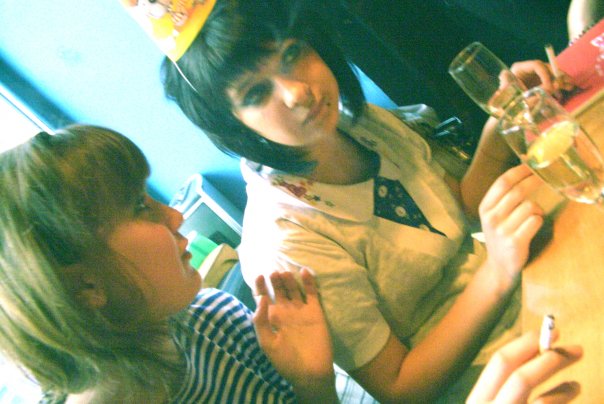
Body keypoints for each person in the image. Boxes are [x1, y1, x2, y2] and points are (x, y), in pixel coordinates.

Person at [152, 0, 571, 401]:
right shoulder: (285, 244)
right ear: (232, 124)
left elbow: (461, 205)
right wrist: (497, 271)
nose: (297, 92)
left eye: (292, 53)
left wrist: (504, 121)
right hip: (491, 378)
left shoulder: (357, 123)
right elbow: (400, 387)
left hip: (539, 295)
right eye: (256, 93)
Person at [0, 125, 337, 403]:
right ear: (86, 286)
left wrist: (313, 383)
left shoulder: (215, 320)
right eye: (139, 206)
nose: (175, 216)